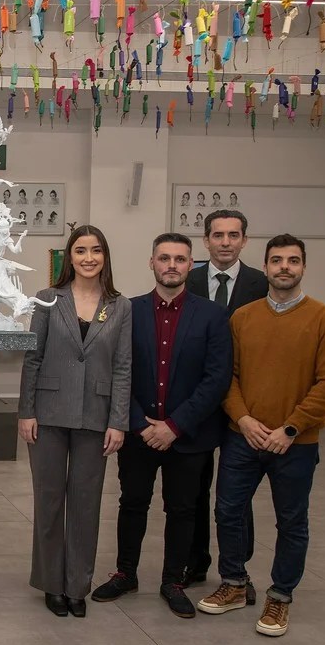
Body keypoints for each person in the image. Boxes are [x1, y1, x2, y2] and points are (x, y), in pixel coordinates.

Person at [197, 235, 325, 636]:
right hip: (242, 438)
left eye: (292, 261)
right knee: (228, 512)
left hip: (296, 444)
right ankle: (234, 583)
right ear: (264, 267)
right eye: (277, 260)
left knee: (291, 521)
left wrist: (291, 428)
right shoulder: (243, 317)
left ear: (302, 268)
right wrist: (243, 419)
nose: (284, 267)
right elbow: (228, 376)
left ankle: (280, 597)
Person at [91, 234, 232, 618]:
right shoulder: (126, 310)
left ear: (192, 265)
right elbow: (118, 371)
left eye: (181, 259)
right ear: (151, 262)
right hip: (138, 432)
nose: (172, 265)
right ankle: (126, 573)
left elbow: (217, 379)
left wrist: (174, 426)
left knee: (183, 509)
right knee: (132, 503)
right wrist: (140, 423)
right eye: (165, 258)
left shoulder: (213, 316)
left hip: (188, 436)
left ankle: (173, 580)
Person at [18, 225, 132, 619]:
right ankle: (52, 583)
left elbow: (123, 366)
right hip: (47, 414)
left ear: (105, 257)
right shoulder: (49, 300)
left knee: (85, 504)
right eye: (80, 250)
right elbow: (32, 357)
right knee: (49, 501)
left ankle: (76, 586)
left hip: (95, 417)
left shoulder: (120, 306)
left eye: (96, 250)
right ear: (70, 256)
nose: (88, 258)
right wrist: (26, 411)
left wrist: (118, 421)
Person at [185, 209, 269, 594]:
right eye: (218, 235)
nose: (225, 242)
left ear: (244, 241)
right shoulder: (188, 278)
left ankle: (238, 570)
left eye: (233, 235)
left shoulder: (262, 283)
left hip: (242, 404)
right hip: (198, 401)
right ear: (206, 241)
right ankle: (195, 562)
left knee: (236, 495)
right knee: (195, 489)